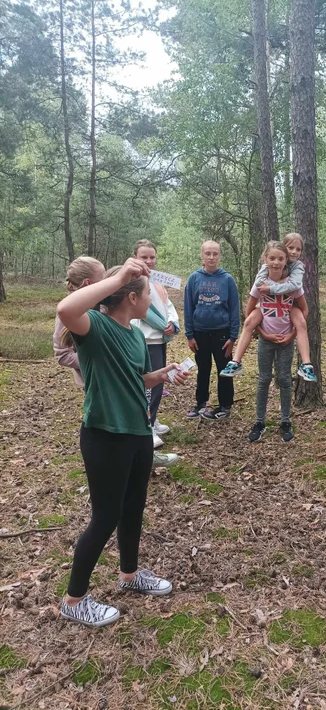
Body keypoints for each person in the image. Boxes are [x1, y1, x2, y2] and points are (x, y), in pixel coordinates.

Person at [56, 258, 189, 627]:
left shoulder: (134, 333)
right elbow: (66, 308)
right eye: (148, 294)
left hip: (137, 432)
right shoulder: (93, 326)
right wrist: (119, 276)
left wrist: (160, 375)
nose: (153, 301)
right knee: (105, 517)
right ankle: (74, 598)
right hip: (104, 434)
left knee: (132, 509)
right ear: (130, 296)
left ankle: (130, 575)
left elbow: (138, 379)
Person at [220, 233, 317, 382]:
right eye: (290, 248)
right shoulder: (267, 267)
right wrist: (261, 332)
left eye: (298, 249)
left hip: (290, 307)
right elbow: (258, 284)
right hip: (266, 307)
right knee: (248, 322)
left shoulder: (298, 267)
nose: (294, 252)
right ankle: (236, 361)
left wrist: (292, 334)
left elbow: (296, 286)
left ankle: (306, 364)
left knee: (301, 322)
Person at [247, 241, 309, 443]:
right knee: (264, 379)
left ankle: (285, 421)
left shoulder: (293, 284)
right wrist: (263, 334)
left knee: (284, 379)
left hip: (286, 341)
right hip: (266, 340)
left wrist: (291, 336)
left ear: (286, 262)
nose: (276, 263)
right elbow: (249, 313)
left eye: (280, 259)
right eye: (272, 258)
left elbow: (304, 311)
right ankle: (259, 422)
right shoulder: (260, 284)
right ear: (265, 260)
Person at [131, 239, 180, 449]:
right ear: (135, 257)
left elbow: (167, 304)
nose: (149, 261)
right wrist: (161, 325)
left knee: (159, 383)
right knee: (148, 385)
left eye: (152, 257)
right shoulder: (132, 281)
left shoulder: (158, 282)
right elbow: (142, 311)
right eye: (144, 257)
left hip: (159, 339)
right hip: (144, 339)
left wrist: (172, 323)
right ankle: (145, 426)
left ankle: (153, 418)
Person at [183, 241, 240, 420]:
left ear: (219, 256)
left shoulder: (227, 279)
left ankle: (225, 405)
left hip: (221, 333)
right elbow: (188, 307)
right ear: (202, 255)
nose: (211, 257)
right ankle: (201, 403)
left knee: (224, 369)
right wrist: (189, 335)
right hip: (200, 333)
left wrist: (233, 336)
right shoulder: (194, 278)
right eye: (208, 253)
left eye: (215, 253)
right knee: (203, 369)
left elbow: (234, 308)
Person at [53, 256, 105, 388]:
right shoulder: (68, 312)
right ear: (88, 283)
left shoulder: (103, 304)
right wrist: (99, 359)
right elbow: (63, 355)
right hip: (93, 382)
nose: (107, 282)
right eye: (103, 278)